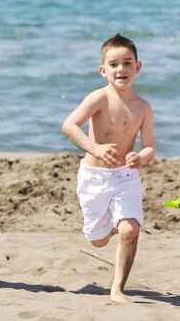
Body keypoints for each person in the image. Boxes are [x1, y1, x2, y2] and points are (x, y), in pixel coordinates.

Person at [61, 33, 156, 303]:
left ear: (138, 67)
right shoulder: (98, 98)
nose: (121, 69)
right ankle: (111, 224)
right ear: (103, 71)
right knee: (98, 240)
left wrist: (141, 157)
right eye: (113, 64)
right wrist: (95, 148)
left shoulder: (143, 107)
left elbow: (150, 146)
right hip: (94, 176)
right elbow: (69, 125)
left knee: (130, 229)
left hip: (125, 177)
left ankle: (117, 289)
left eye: (127, 63)